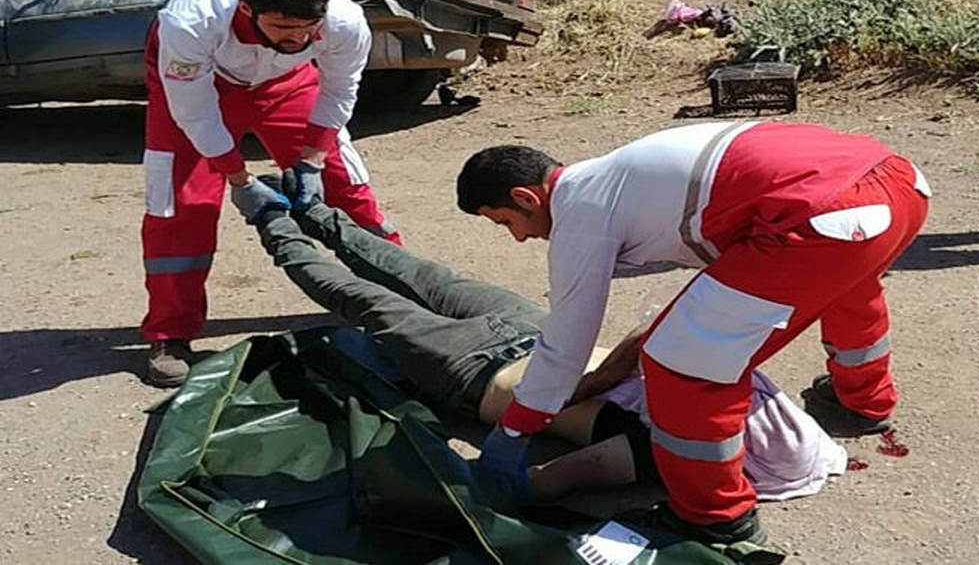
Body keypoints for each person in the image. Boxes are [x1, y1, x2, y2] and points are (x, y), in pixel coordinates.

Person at [227, 172, 847, 523]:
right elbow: (551, 478)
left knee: (377, 290)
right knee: (396, 278)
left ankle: (278, 216)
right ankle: (303, 211)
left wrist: (514, 473)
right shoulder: (712, 409)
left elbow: (553, 477)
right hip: (517, 348)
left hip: (484, 362)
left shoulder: (699, 423)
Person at [455, 120, 930, 548]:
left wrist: (518, 425)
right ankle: (863, 402)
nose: (519, 237)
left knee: (683, 364)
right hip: (896, 184)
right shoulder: (618, 173)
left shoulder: (580, 211)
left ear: (526, 198)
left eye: (507, 223)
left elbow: (568, 336)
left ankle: (714, 517)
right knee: (850, 290)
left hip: (822, 216)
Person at [140, 0, 401, 388]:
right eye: (283, 27)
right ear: (247, 10)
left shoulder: (344, 21)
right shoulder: (190, 21)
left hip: (286, 82)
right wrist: (239, 178)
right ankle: (170, 335)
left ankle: (401, 294)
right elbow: (195, 112)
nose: (299, 38)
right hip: (200, 85)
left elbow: (340, 90)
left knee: (345, 184)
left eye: (308, 27)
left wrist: (313, 160)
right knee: (182, 205)